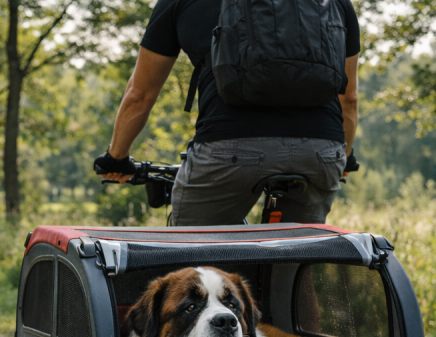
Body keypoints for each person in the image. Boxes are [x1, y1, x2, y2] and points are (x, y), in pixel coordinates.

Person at [96, 0, 360, 226]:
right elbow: (348, 99)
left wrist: (116, 158)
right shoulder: (333, 2)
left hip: (228, 147)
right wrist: (344, 157)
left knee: (190, 261)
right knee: (298, 267)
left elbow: (139, 95)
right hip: (321, 151)